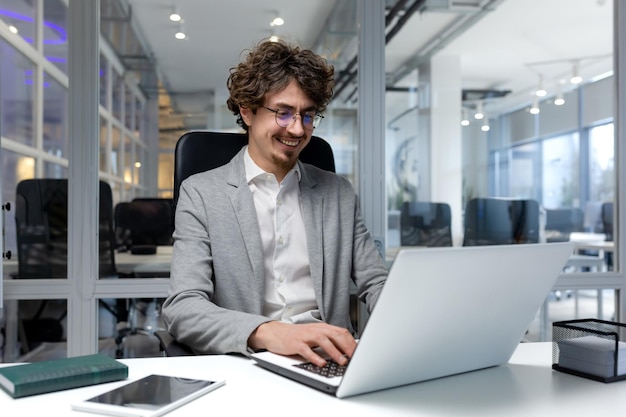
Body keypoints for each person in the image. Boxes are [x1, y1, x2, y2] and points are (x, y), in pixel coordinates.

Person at [161, 39, 387, 367]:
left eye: (308, 116)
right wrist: (269, 332)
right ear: (247, 110)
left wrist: (413, 323)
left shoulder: (338, 193)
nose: (297, 129)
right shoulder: (202, 194)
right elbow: (183, 307)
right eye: (283, 113)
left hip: (331, 363)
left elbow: (376, 282)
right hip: (249, 362)